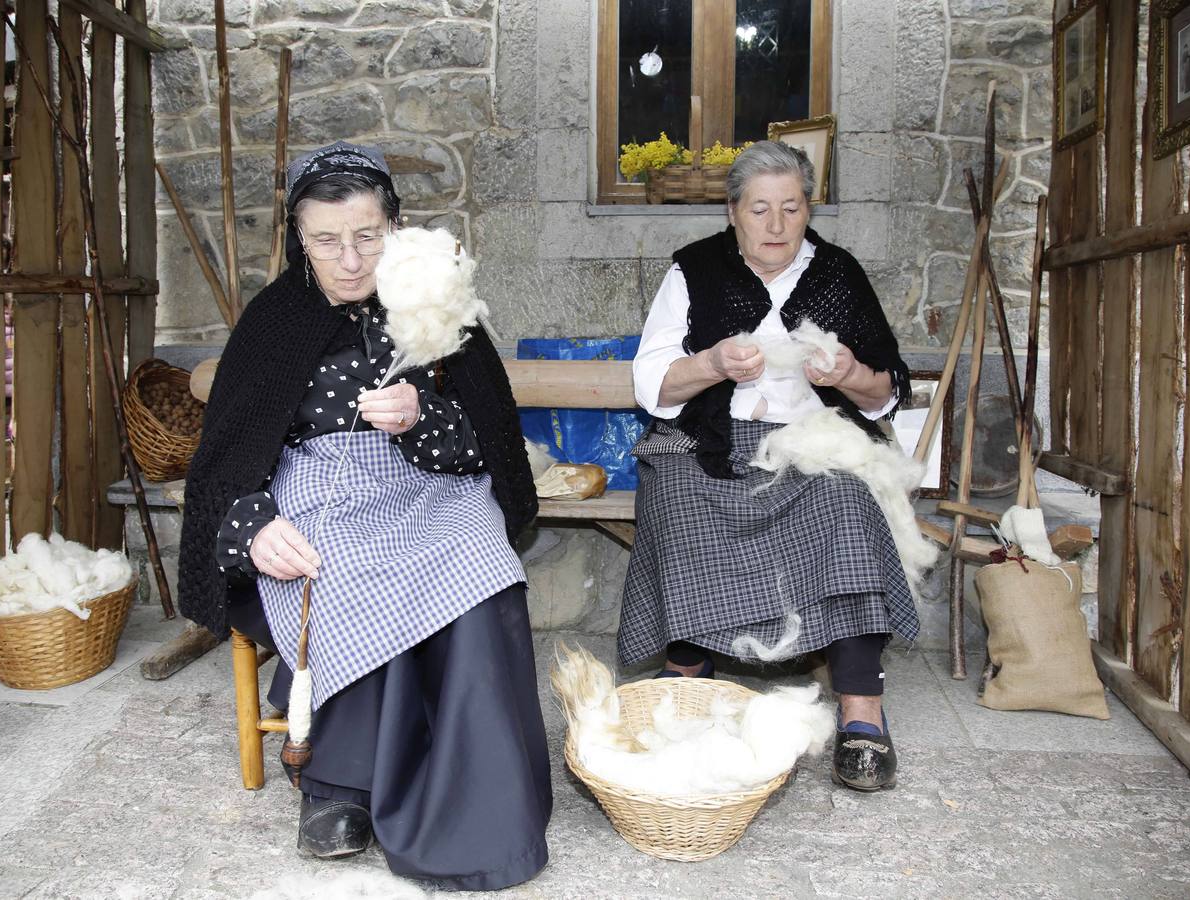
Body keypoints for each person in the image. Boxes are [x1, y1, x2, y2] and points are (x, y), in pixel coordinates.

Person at [178, 142, 550, 889]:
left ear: (395, 227)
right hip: (317, 490)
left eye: (367, 236)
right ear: (298, 238)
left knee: (482, 563)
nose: (349, 259)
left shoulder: (435, 306)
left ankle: (481, 787)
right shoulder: (274, 320)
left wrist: (422, 416)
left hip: (432, 489)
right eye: (326, 240)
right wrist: (254, 523)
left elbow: (492, 446)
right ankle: (337, 782)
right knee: (343, 565)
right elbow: (225, 458)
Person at [617, 141, 918, 792]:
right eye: (760, 209)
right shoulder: (694, 270)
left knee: (848, 499)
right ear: (733, 213)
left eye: (791, 207)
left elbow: (885, 390)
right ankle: (689, 673)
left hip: (816, 439)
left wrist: (852, 373)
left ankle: (861, 705)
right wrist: (713, 364)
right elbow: (653, 386)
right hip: (708, 435)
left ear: (809, 208)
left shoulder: (838, 274)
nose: (776, 225)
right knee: (679, 492)